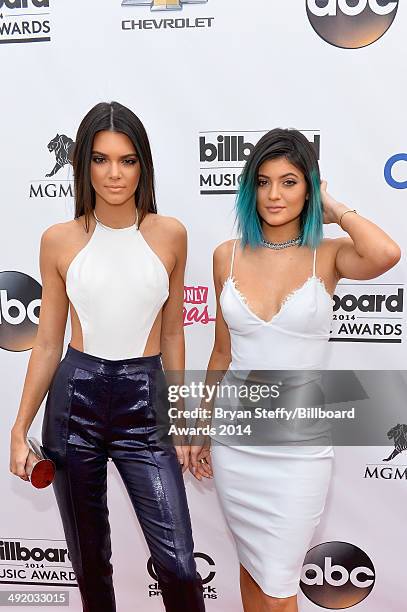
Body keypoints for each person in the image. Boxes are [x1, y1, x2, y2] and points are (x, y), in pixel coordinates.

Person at [190, 128, 401, 612]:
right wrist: (200, 426)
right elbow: (221, 354)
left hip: (298, 449)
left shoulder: (327, 254)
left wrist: (335, 208)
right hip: (235, 440)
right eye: (263, 182)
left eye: (289, 181)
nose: (273, 194)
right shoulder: (228, 254)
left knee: (280, 586)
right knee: (251, 567)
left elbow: (386, 253)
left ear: (309, 187)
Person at [9, 101, 205, 612]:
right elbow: (48, 342)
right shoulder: (59, 240)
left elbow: (175, 332)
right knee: (91, 566)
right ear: (83, 166)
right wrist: (18, 428)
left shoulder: (171, 234)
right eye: (100, 160)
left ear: (144, 165)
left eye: (127, 160)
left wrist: (182, 414)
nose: (114, 173)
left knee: (180, 565)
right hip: (74, 404)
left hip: (146, 401)